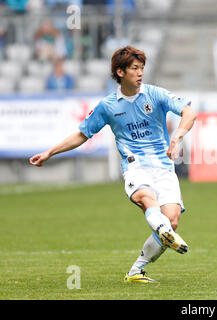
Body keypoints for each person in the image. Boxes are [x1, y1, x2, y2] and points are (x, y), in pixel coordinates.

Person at [29, 46, 197, 283]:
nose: (140, 73)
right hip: (135, 166)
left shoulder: (155, 94)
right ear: (120, 72)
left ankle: (136, 271)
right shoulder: (108, 106)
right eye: (134, 69)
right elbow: (82, 134)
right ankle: (163, 232)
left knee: (172, 219)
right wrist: (49, 152)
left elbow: (188, 113)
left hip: (163, 167)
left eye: (142, 69)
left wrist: (177, 136)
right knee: (146, 198)